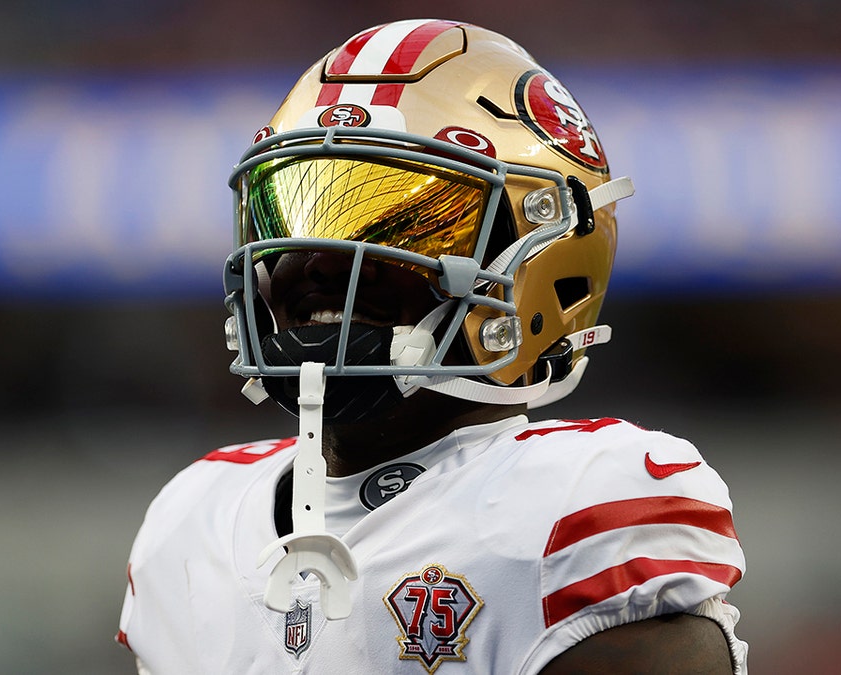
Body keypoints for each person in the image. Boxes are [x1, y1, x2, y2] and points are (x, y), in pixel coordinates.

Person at [117, 18, 747, 674]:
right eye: (293, 214)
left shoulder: (568, 512)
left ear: (540, 256)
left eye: (403, 224)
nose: (321, 262)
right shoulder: (194, 522)